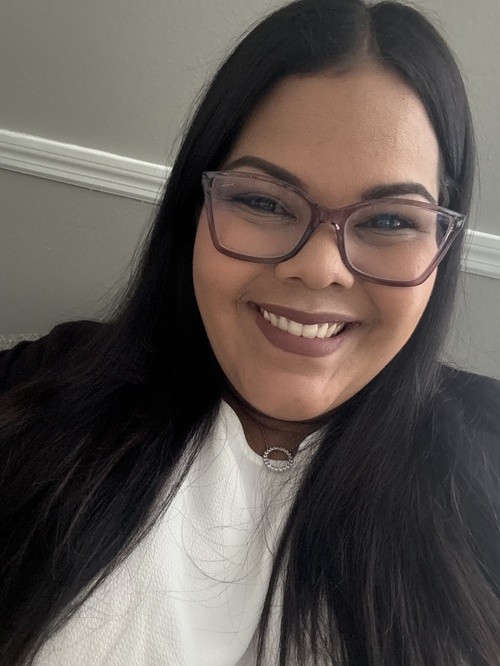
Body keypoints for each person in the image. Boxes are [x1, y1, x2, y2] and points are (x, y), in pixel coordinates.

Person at [0, 0, 499, 663]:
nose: (318, 268)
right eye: (263, 201)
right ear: (196, 210)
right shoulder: (42, 393)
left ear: (442, 242)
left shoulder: (488, 462)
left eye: (389, 221)